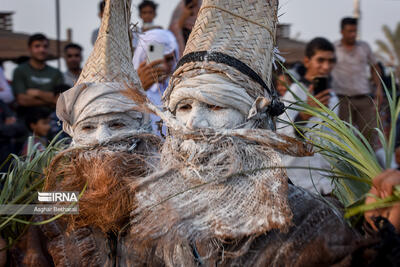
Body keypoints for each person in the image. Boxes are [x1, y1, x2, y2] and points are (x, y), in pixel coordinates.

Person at [127, 1, 360, 265]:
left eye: (215, 106)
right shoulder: (151, 219)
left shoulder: (313, 225)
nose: (192, 124)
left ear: (257, 119)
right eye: (184, 106)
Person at [10, 0, 159, 265]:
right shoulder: (70, 190)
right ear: (74, 133)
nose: (101, 140)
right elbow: (33, 207)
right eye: (89, 127)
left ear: (139, 129)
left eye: (117, 125)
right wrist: (32, 247)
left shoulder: (159, 185)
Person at [277, 37, 338, 193]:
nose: (326, 66)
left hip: (326, 181)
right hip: (297, 181)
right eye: (320, 60)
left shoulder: (332, 98)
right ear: (307, 61)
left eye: (331, 61)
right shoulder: (293, 94)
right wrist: (304, 115)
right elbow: (281, 136)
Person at [332, 17, 382, 148]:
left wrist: (379, 88)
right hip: (341, 100)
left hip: (363, 98)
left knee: (369, 134)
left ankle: (368, 166)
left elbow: (374, 67)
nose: (353, 34)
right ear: (342, 31)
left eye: (355, 31)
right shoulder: (334, 48)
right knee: (342, 136)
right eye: (349, 31)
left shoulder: (364, 47)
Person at [133, 28, 178, 135]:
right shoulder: (124, 89)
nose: (165, 67)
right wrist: (137, 92)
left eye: (169, 59)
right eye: (158, 60)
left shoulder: (176, 88)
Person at [11, 33, 63, 118]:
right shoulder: (20, 71)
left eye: (45, 46)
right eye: (37, 46)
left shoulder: (56, 72)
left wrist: (38, 93)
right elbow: (22, 100)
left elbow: (60, 100)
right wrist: (50, 99)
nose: (42, 49)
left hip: (52, 118)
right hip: (26, 119)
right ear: (29, 49)